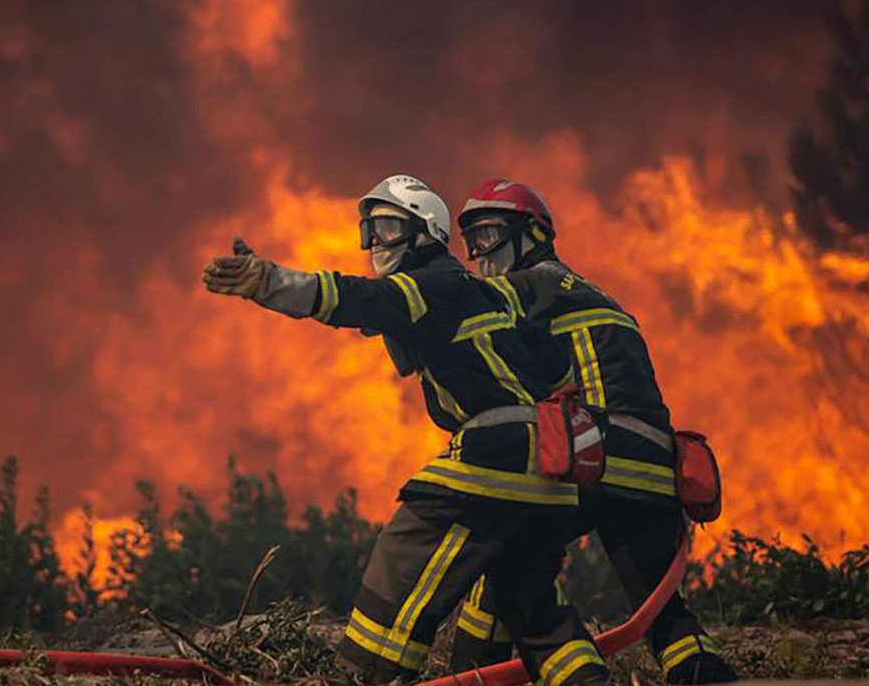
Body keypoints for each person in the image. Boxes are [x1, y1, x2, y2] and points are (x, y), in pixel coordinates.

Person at [203, 174, 608, 686]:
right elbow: (559, 371)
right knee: (530, 605)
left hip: (497, 455)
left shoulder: (430, 283)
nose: (376, 242)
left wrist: (269, 282)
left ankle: (365, 676)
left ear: (426, 234)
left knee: (399, 561)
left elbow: (356, 299)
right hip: (550, 476)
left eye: (390, 228)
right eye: (370, 230)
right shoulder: (488, 294)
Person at [451, 178, 738, 684]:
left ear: (532, 235)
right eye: (471, 241)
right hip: (653, 467)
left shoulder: (527, 287)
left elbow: (460, 308)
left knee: (507, 556)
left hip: (595, 457)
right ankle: (699, 669)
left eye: (489, 235)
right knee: (662, 609)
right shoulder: (590, 292)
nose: (479, 254)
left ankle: (533, 672)